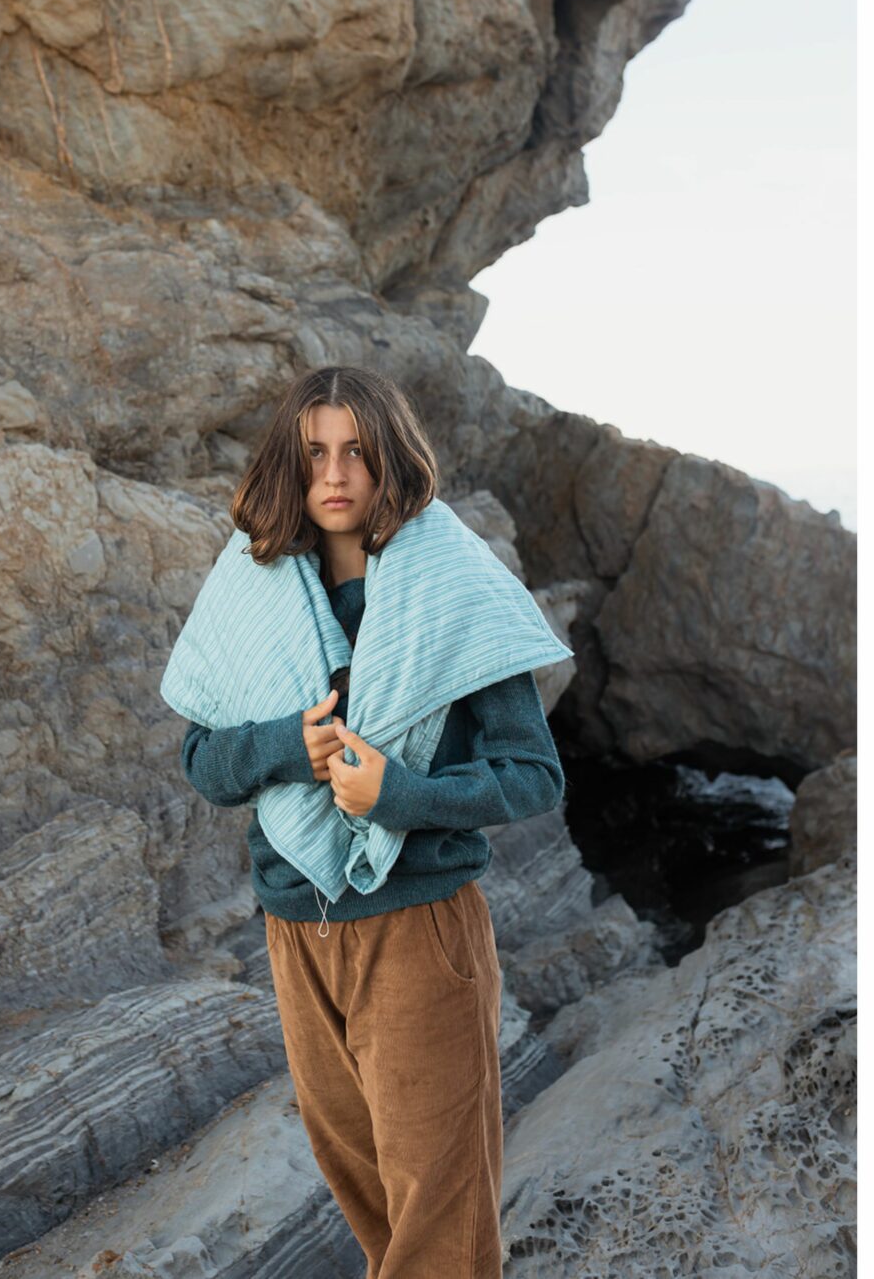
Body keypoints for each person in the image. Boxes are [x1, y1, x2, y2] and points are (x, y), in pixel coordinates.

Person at [175, 365, 565, 1273]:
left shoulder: (452, 588)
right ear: (290, 463)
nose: (336, 474)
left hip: (418, 929)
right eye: (315, 452)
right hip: (295, 932)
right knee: (375, 1210)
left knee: (440, 1226)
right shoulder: (253, 587)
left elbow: (532, 774)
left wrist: (400, 796)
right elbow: (202, 761)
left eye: (356, 450)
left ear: (391, 457)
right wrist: (288, 744)